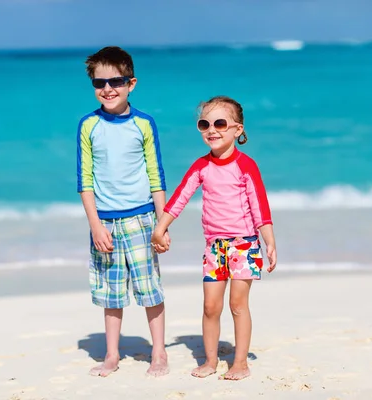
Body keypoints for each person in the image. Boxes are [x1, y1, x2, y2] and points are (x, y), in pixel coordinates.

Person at [151, 95, 277, 381]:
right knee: (210, 306)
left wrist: (269, 241)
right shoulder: (201, 166)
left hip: (244, 244)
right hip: (214, 247)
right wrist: (160, 228)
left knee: (237, 304)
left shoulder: (246, 166)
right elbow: (180, 198)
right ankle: (210, 360)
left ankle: (240, 362)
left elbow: (260, 206)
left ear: (238, 129)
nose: (212, 129)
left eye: (220, 122)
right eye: (204, 123)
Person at [76, 46, 171, 377]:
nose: (107, 89)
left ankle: (158, 352)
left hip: (143, 218)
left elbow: (156, 176)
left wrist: (162, 223)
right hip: (105, 223)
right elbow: (85, 181)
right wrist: (96, 225)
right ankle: (112, 354)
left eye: (116, 81)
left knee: (149, 289)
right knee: (110, 293)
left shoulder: (144, 123)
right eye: (99, 83)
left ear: (131, 83)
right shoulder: (88, 125)